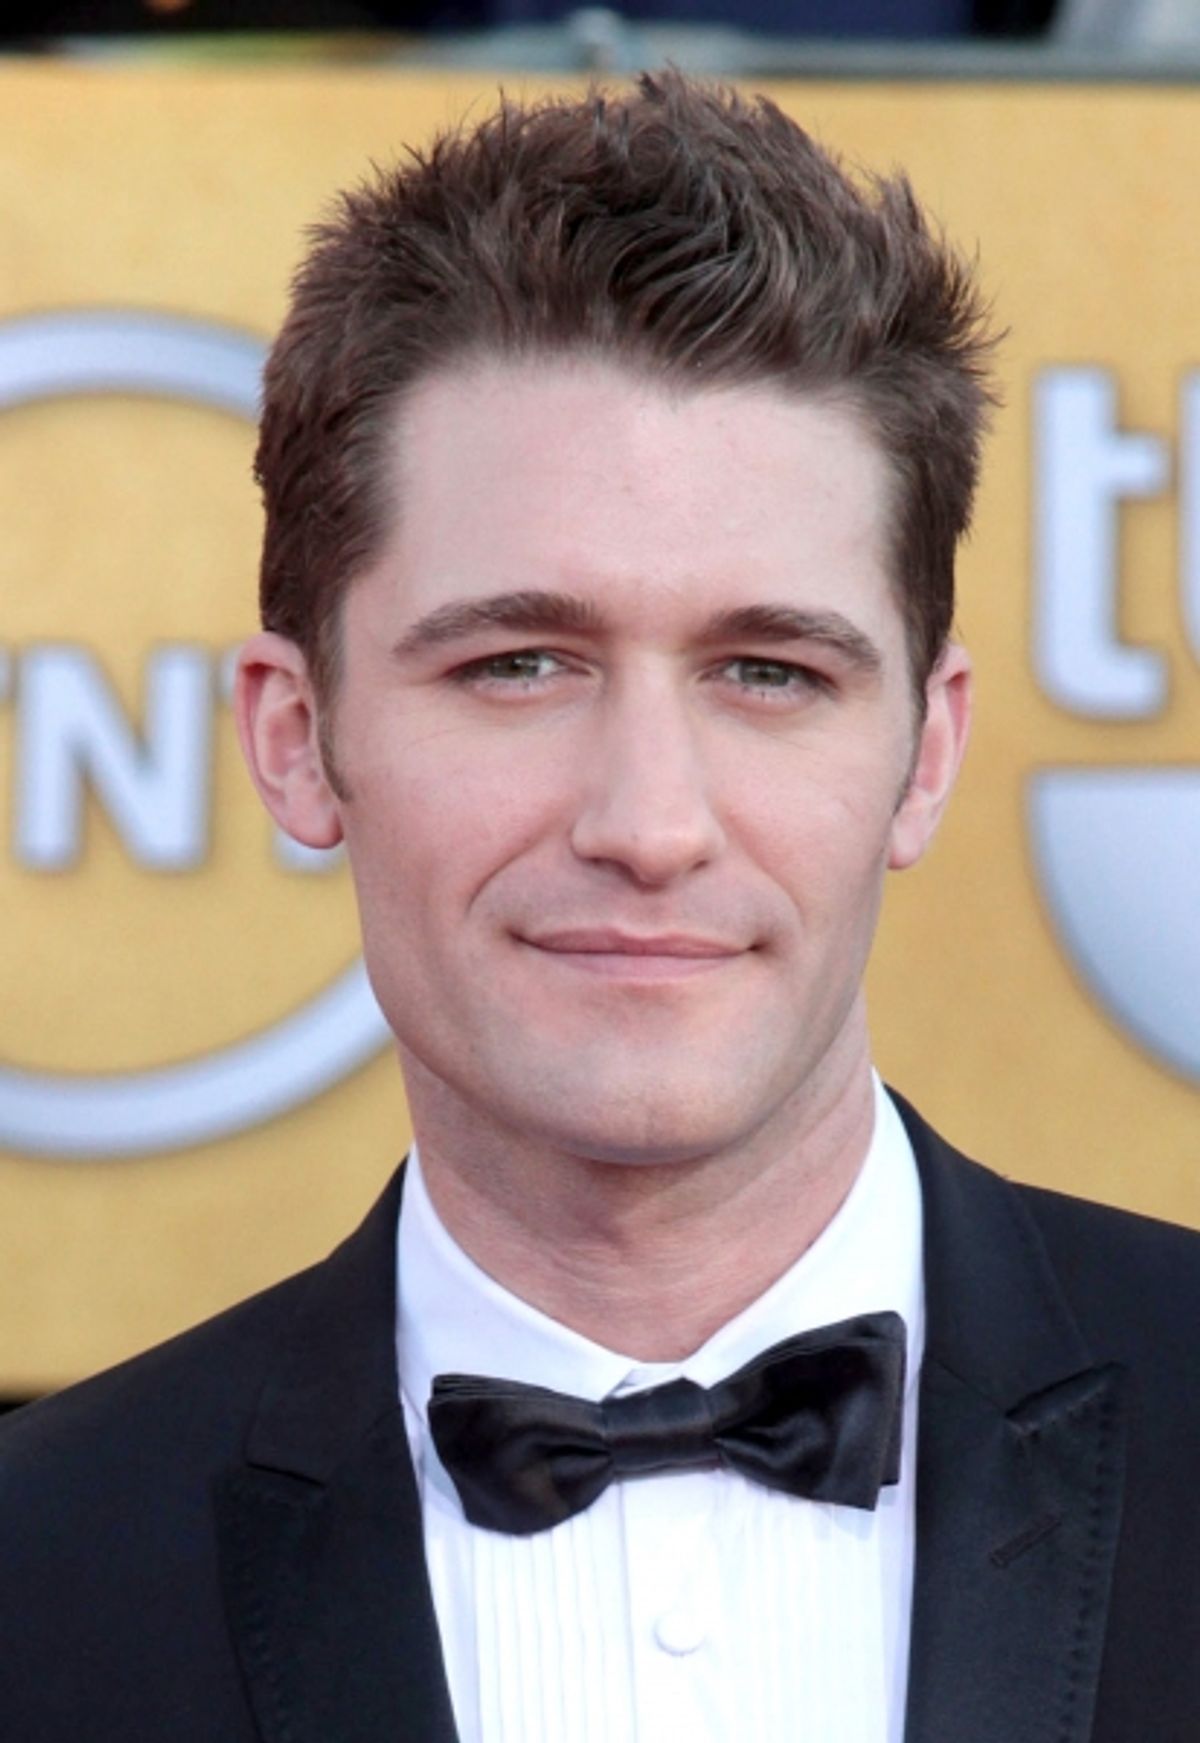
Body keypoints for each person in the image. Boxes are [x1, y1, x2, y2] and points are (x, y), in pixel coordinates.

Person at [2, 70, 1198, 1743]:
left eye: (768, 672)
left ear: (926, 753)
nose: (650, 823)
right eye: (519, 664)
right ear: (298, 739)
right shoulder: (39, 1570)